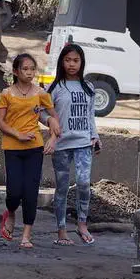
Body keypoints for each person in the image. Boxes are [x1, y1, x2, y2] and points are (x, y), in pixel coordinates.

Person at [0, 54, 61, 249]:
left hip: (34, 148)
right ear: (16, 71)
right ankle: (11, 212)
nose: (30, 72)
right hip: (12, 147)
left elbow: (55, 119)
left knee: (30, 192)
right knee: (14, 192)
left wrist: (53, 139)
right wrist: (18, 135)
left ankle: (26, 235)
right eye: (25, 69)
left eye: (33, 68)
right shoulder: (6, 94)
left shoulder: (41, 93)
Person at [45, 44, 101, 246]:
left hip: (84, 143)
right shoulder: (54, 88)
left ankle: (82, 224)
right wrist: (51, 123)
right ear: (62, 62)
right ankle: (61, 230)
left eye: (75, 60)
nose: (71, 64)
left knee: (84, 184)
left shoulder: (89, 87)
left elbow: (90, 115)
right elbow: (41, 112)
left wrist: (95, 136)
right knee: (62, 188)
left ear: (81, 63)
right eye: (67, 60)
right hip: (60, 145)